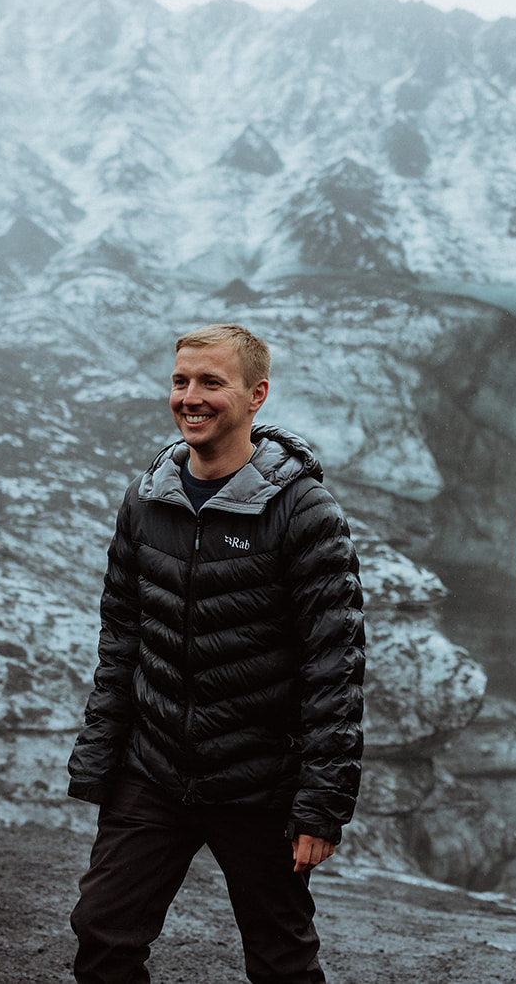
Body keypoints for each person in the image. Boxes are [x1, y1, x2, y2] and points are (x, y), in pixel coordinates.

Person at [66, 323, 365, 984]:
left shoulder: (304, 511)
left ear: (256, 395)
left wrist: (321, 804)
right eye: (180, 381)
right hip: (153, 770)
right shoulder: (145, 500)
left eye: (211, 382)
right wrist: (100, 755)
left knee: (281, 960)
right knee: (101, 933)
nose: (190, 397)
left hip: (260, 782)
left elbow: (332, 666)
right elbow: (121, 634)